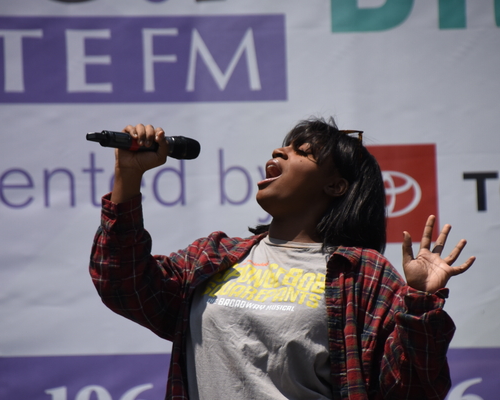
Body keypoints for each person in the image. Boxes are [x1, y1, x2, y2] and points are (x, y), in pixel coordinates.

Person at [89, 118, 475, 400]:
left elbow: (410, 391)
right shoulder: (214, 255)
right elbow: (124, 285)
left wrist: (421, 303)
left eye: (301, 152)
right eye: (281, 147)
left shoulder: (363, 273)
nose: (278, 152)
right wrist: (128, 175)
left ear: (336, 185)